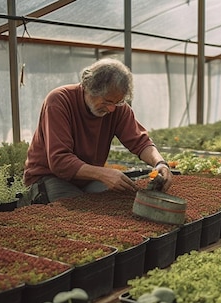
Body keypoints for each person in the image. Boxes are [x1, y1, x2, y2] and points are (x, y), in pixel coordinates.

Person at [21, 58, 172, 205]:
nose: (111, 108)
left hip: (86, 178)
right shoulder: (59, 101)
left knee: (122, 203)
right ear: (88, 87)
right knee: (80, 213)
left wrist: (159, 163)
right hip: (48, 177)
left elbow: (140, 142)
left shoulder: (118, 108)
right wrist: (103, 173)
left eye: (117, 102)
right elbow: (59, 161)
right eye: (106, 101)